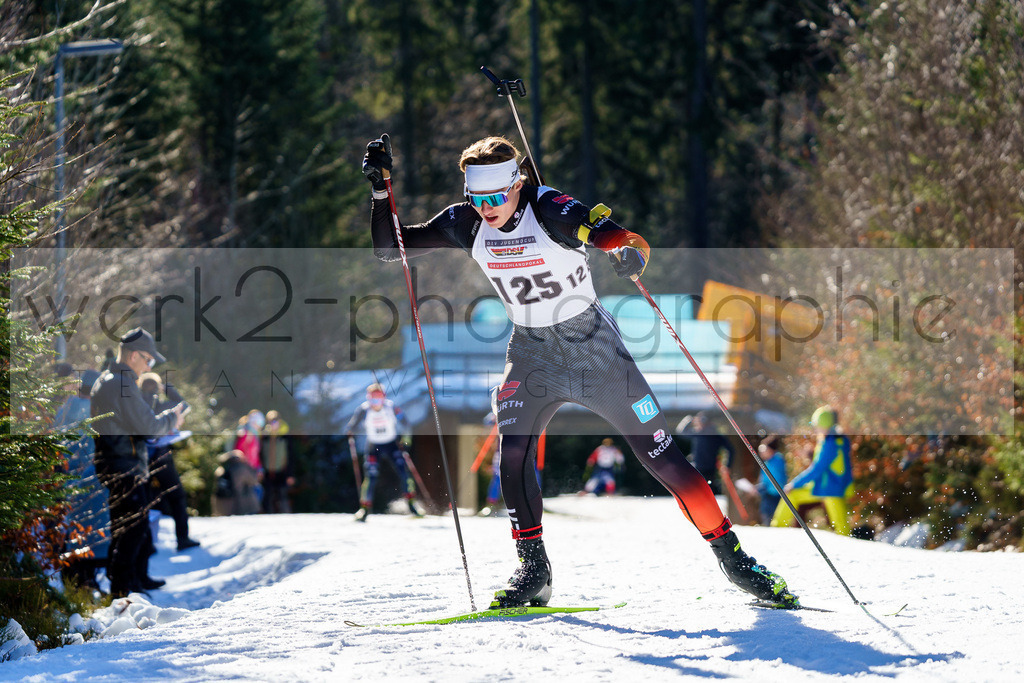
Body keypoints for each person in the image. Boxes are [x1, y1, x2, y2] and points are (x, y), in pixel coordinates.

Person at [362, 134, 797, 608]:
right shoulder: (464, 222)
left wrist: (625, 251)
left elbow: (616, 235)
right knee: (512, 455)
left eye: (495, 197)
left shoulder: (549, 208)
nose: (487, 208)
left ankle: (735, 560)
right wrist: (381, 189)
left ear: (516, 184)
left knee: (661, 458)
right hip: (530, 351)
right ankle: (534, 569)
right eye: (477, 198)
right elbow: (391, 247)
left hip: (594, 349)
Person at [90, 328, 185, 597]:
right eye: (148, 360)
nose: (149, 366)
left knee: (128, 527)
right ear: (133, 356)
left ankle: (129, 584)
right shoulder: (121, 383)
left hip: (119, 464)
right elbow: (147, 426)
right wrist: (172, 420)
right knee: (134, 527)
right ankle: (123, 591)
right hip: (123, 466)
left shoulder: (109, 380)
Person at [54, 369, 109, 588]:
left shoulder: (65, 408)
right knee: (91, 530)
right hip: (89, 478)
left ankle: (76, 578)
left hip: (65, 478)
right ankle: (87, 579)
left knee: (72, 530)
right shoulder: (96, 411)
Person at [138, 373, 200, 551]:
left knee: (145, 500)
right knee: (177, 496)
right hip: (161, 456)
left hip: (142, 458)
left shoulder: (137, 404)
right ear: (158, 389)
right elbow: (184, 406)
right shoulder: (162, 405)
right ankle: (182, 538)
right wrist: (169, 389)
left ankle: (146, 544)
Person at [771, 406, 853, 535]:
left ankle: (850, 547)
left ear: (825, 425)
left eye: (817, 425)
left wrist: (795, 483)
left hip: (832, 489)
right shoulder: (827, 440)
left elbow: (817, 469)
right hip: (823, 487)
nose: (815, 429)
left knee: (842, 527)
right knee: (792, 495)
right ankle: (777, 529)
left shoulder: (832, 442)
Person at [344, 383, 421, 521]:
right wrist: (350, 432)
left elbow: (406, 424)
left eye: (378, 399)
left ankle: (412, 504)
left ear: (383, 398)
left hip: (391, 444)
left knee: (403, 472)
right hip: (373, 446)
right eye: (372, 399)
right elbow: (352, 425)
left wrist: (406, 441)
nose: (375, 403)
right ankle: (364, 508)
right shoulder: (364, 409)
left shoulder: (391, 407)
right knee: (371, 476)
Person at [676, 411, 735, 496]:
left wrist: (688, 420)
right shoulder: (703, 433)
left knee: (703, 492)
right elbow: (681, 433)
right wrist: (727, 466)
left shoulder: (707, 434)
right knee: (702, 492)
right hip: (700, 468)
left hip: (707, 470)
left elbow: (681, 432)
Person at [261, 410, 294, 513]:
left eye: (275, 422)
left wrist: (290, 474)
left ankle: (285, 518)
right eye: (271, 422)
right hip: (267, 472)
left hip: (282, 471)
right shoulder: (265, 436)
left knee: (282, 496)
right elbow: (261, 454)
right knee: (267, 497)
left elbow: (291, 456)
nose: (273, 424)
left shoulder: (286, 436)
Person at [211, 450, 262, 516]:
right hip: (240, 505)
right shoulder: (241, 468)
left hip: (223, 506)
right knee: (258, 488)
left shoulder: (221, 469)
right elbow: (254, 480)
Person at [755, 435, 787, 526]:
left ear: (770, 450)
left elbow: (775, 481)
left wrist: (761, 488)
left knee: (772, 517)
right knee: (766, 515)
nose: (761, 453)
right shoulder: (768, 462)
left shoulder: (776, 461)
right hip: (768, 493)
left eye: (763, 449)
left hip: (774, 495)